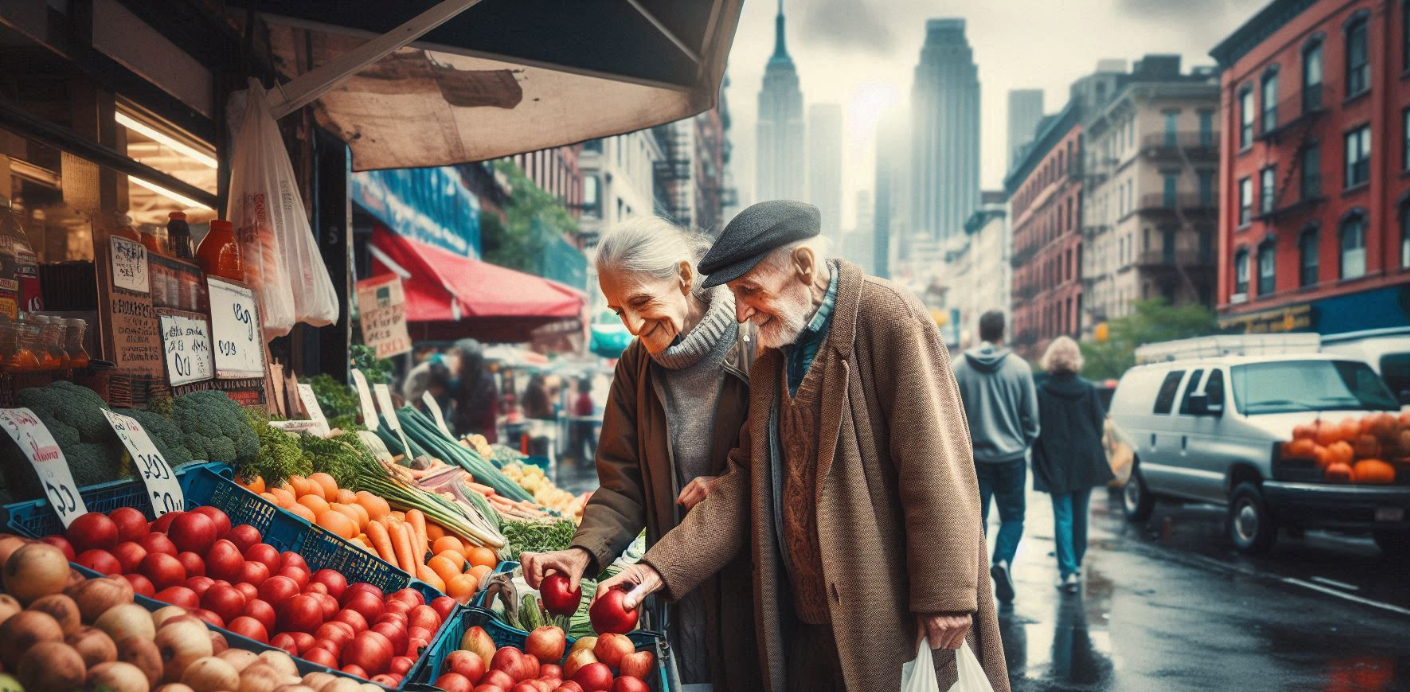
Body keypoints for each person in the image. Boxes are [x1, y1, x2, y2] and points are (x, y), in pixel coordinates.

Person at [597, 201, 1009, 692]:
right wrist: (655, 570)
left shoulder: (887, 318)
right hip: (808, 620)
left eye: (750, 290)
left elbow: (936, 463)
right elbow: (746, 478)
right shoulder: (774, 356)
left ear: (804, 268)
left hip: (888, 610)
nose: (743, 312)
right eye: (735, 295)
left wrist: (946, 594)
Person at [519, 217, 761, 690]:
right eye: (616, 311)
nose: (631, 325)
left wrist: (728, 484)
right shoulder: (635, 367)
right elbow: (622, 481)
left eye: (641, 302)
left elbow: (777, 462)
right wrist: (583, 552)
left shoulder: (754, 342)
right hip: (668, 585)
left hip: (751, 585)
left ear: (685, 279)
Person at [952, 310, 1040, 604]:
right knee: (1014, 516)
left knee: (976, 519)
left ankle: (975, 584)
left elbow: (950, 414)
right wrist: (1021, 442)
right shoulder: (1020, 368)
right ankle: (1002, 561)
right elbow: (1031, 420)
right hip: (1012, 458)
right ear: (1004, 331)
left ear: (979, 330)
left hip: (974, 458)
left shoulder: (960, 367)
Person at [1032, 336, 1114, 594]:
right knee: (1081, 514)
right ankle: (1076, 565)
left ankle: (1067, 572)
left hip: (1056, 458)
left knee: (1063, 515)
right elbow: (1099, 423)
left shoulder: (1042, 391)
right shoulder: (1088, 389)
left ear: (1051, 359)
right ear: (1075, 358)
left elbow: (1037, 427)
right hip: (1085, 458)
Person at [447, 339, 499, 443]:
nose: (455, 360)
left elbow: (474, 415)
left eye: (458, 356)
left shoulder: (485, 383)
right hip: (465, 438)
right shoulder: (464, 381)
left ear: (468, 360)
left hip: (482, 440)